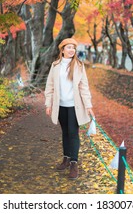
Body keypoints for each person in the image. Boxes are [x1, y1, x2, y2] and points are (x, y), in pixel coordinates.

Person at [45, 38, 95, 180]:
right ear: (62, 50)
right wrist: (48, 104)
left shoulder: (79, 65)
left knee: (73, 133)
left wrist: (89, 105)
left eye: (73, 47)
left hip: (75, 106)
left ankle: (74, 163)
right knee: (65, 132)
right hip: (60, 106)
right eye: (69, 47)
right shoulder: (55, 65)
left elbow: (84, 86)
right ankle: (66, 159)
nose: (72, 50)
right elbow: (50, 86)